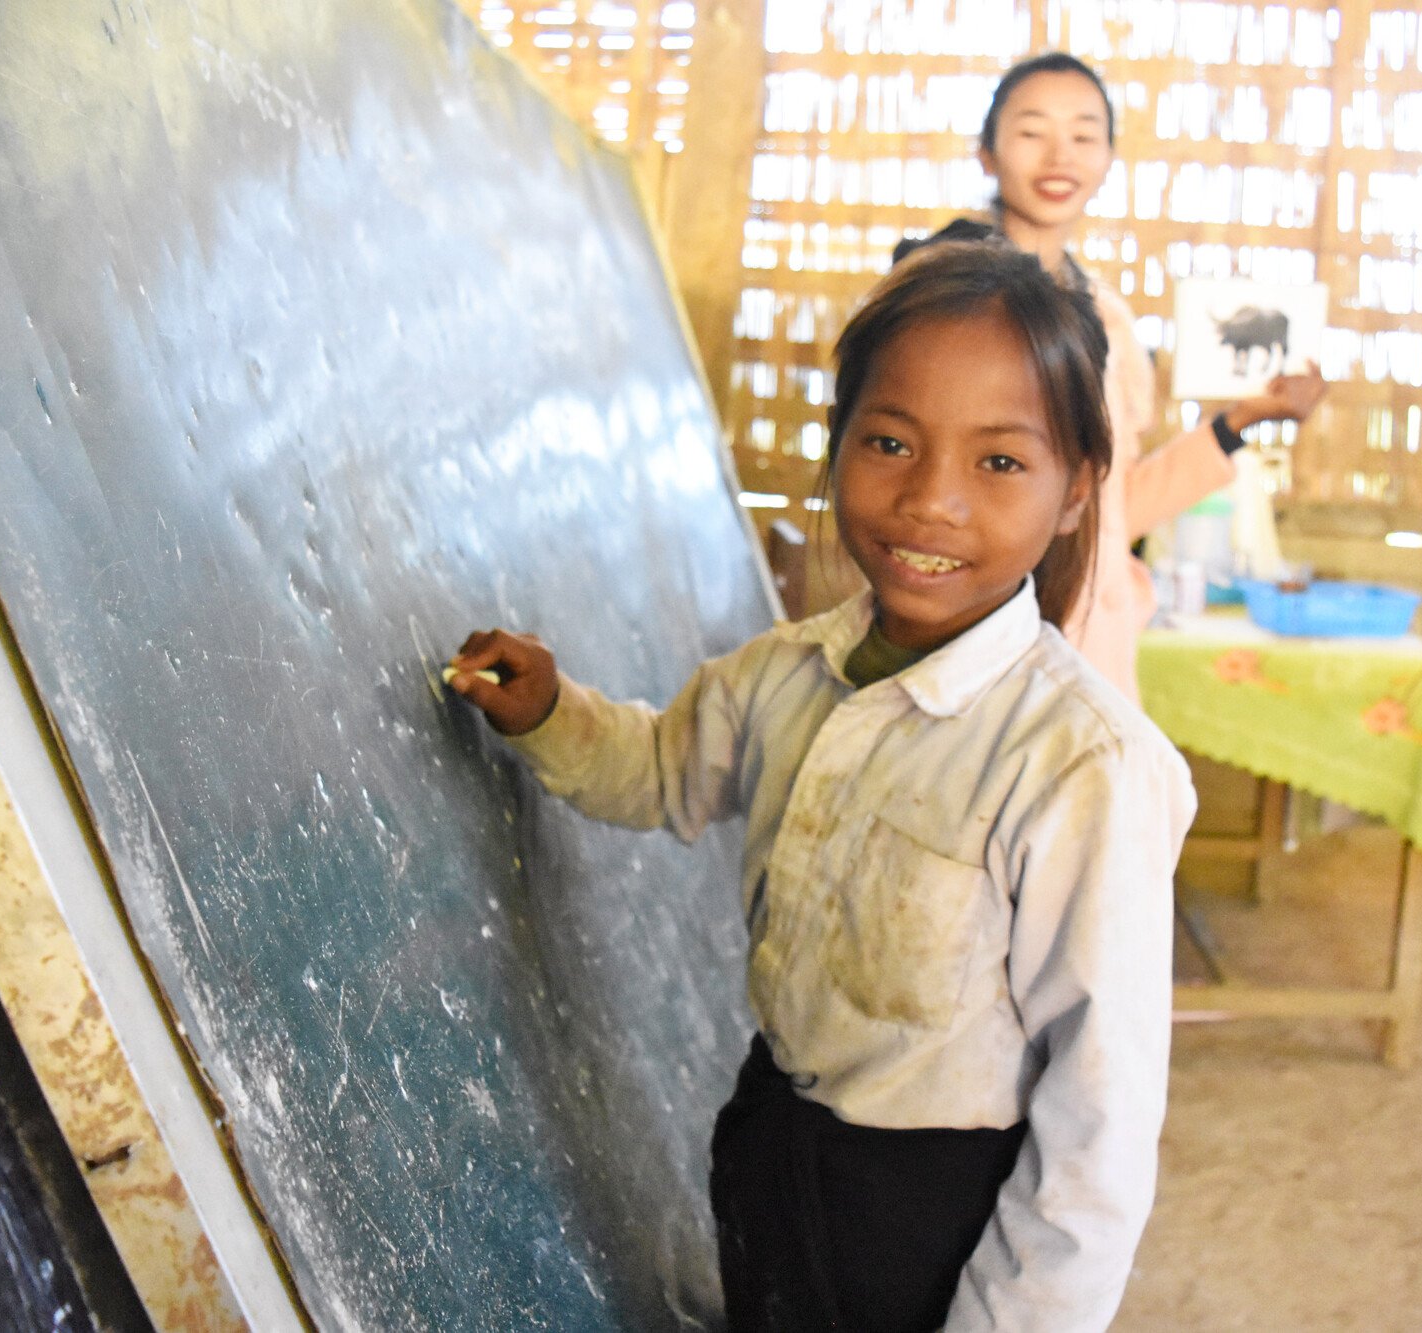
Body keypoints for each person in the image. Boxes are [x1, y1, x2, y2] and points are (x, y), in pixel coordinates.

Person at [449, 242, 1192, 1333]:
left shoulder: (1083, 764)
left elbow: (1100, 1116)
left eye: (997, 463)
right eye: (889, 442)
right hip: (776, 1148)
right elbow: (661, 769)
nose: (929, 501)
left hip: (933, 1216)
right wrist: (554, 714)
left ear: (1077, 491)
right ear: (836, 445)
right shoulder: (786, 674)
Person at [894, 51, 1330, 699]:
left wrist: (1238, 424)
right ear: (986, 153)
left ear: (1106, 159)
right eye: (1032, 131)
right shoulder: (940, 296)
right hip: (972, 625)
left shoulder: (1111, 323)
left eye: (1083, 135)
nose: (1059, 155)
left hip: (1093, 640)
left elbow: (1111, 509)